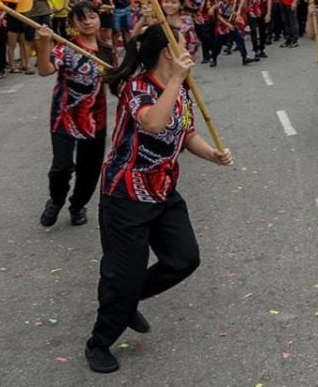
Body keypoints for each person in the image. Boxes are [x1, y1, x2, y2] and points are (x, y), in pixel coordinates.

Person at [84, 23, 233, 374]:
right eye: (182, 45)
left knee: (184, 259)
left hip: (163, 190)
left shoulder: (179, 91)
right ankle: (99, 342)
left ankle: (127, 298)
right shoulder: (136, 88)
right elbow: (152, 123)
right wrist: (177, 81)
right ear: (169, 52)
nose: (188, 49)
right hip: (126, 194)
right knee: (125, 275)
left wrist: (212, 154)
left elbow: (185, 132)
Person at [36, 2, 116, 229]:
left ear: (99, 19)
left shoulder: (107, 51)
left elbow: (116, 83)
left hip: (94, 120)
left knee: (90, 170)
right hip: (64, 117)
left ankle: (78, 204)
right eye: (82, 19)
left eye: (92, 17)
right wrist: (44, 43)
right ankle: (56, 199)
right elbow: (44, 70)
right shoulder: (65, 48)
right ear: (72, 24)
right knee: (61, 167)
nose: (88, 22)